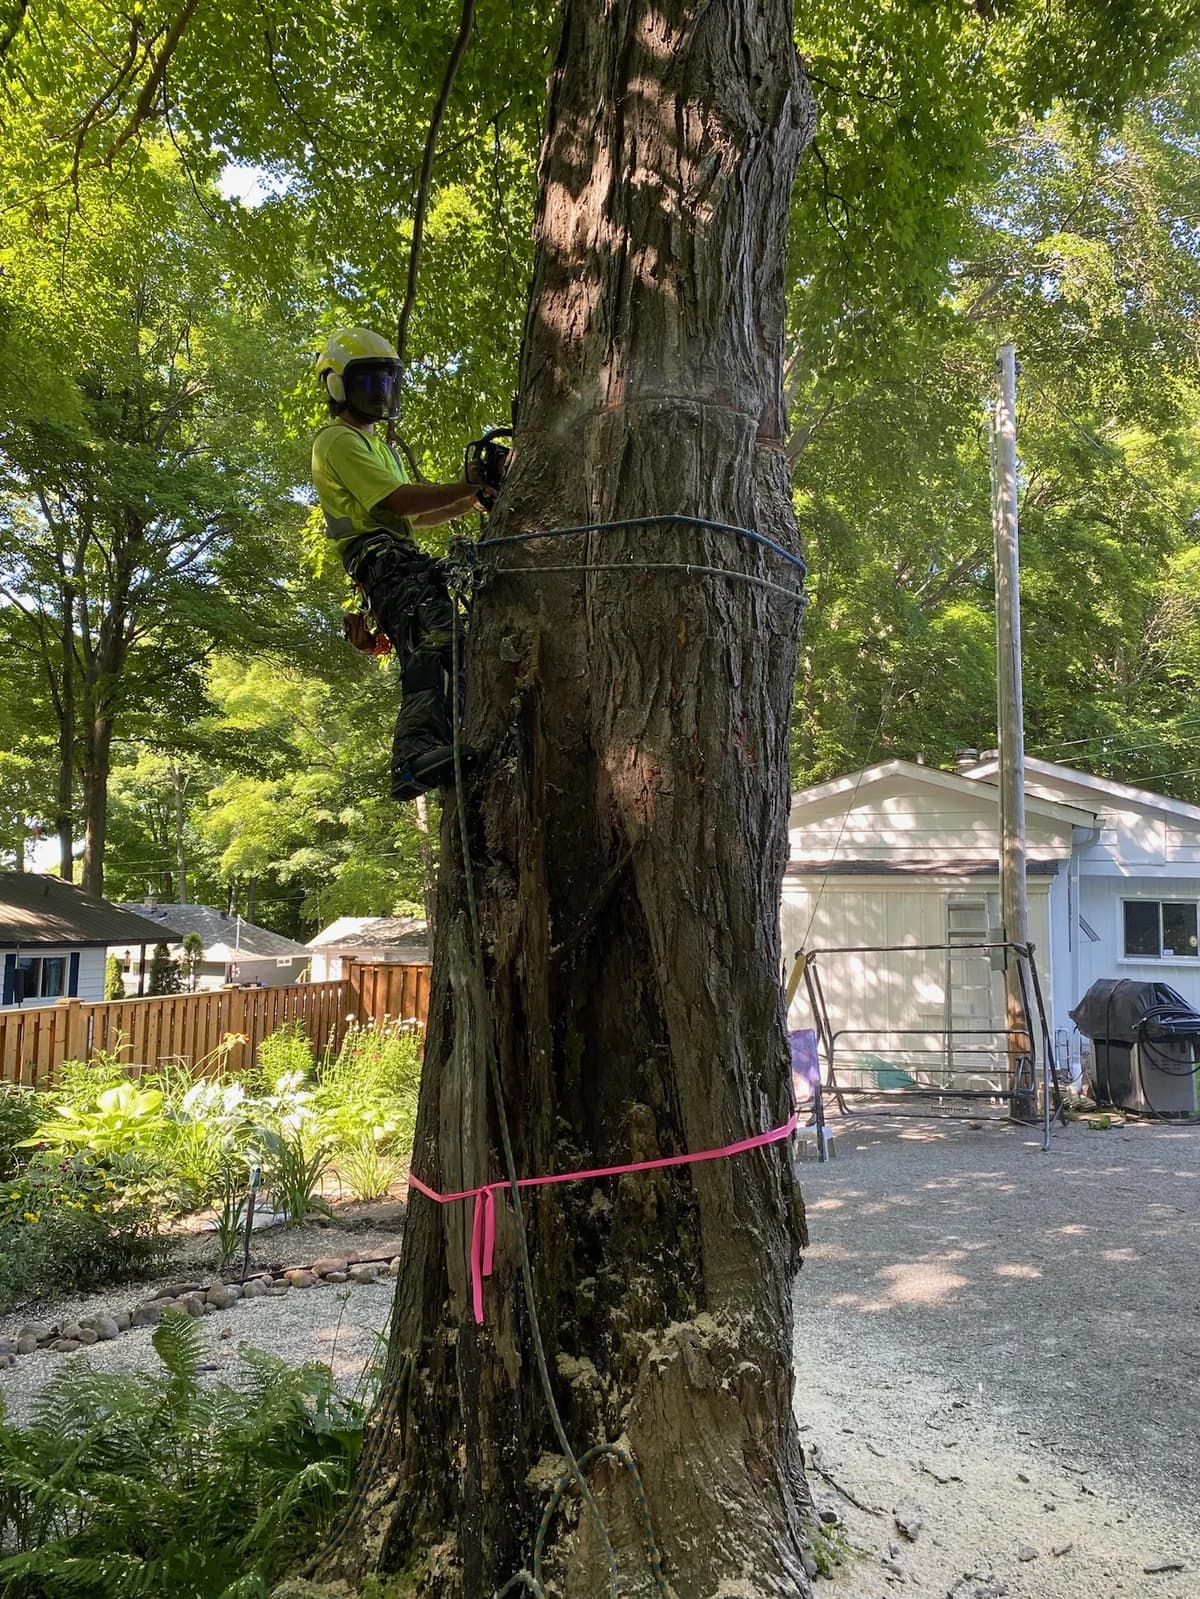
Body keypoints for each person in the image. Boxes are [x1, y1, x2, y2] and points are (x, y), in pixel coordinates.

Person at [313, 327, 486, 800]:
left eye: (386, 383)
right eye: (368, 383)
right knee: (439, 635)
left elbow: (420, 515)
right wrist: (464, 488)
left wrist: (472, 495)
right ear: (337, 387)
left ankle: (447, 739)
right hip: (381, 560)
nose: (380, 393)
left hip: (399, 557)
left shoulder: (382, 448)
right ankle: (411, 757)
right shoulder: (337, 440)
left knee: (456, 641)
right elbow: (398, 500)